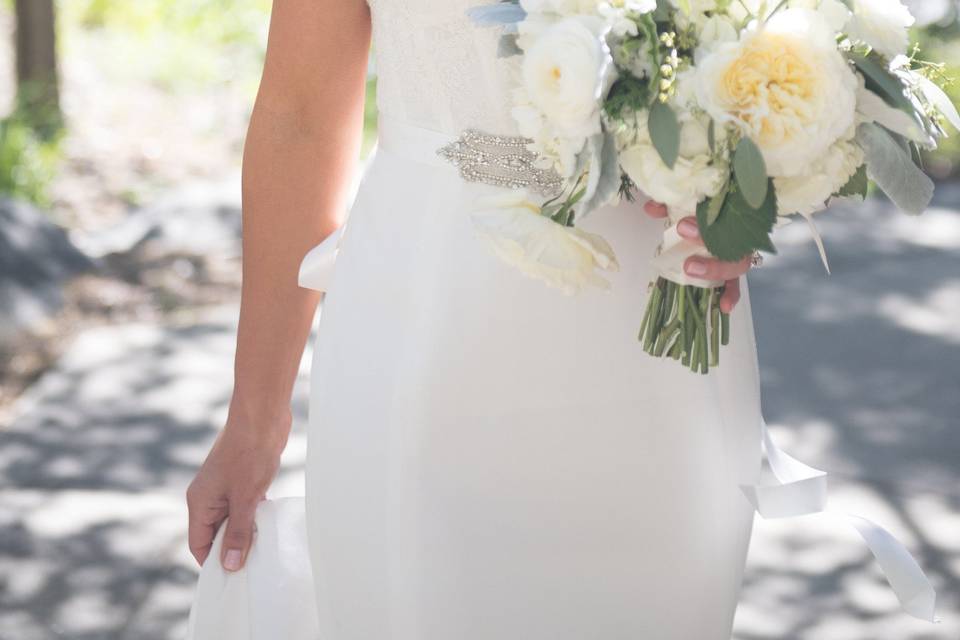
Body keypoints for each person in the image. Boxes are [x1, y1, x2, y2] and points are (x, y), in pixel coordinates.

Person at [184, 1, 934, 638]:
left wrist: (745, 190)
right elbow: (300, 115)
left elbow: (783, 35)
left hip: (660, 341)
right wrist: (255, 416)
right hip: (430, 314)